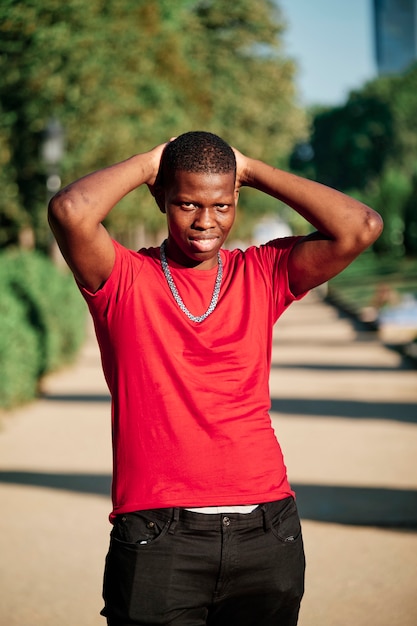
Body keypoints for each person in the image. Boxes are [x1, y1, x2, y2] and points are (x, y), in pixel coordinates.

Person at [48, 131, 383, 626]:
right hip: (160, 540)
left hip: (268, 534)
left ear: (236, 200)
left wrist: (247, 168)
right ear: (161, 196)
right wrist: (151, 162)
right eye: (186, 203)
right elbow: (72, 210)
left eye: (222, 205)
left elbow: (360, 226)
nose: (206, 221)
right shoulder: (122, 278)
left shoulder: (262, 272)